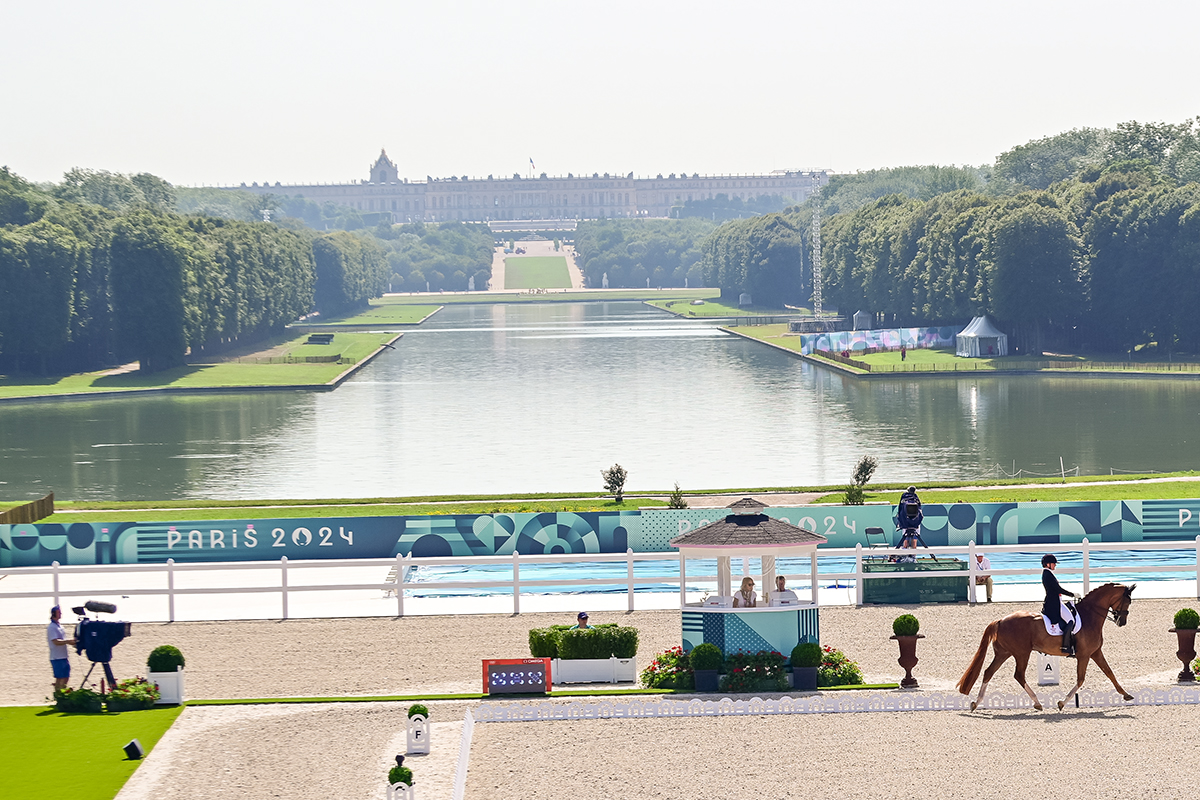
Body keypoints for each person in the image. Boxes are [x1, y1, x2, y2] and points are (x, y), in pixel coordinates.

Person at [1042, 554, 1078, 656]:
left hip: (1056, 601)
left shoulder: (1048, 573)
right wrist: (1072, 594)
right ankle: (1066, 646)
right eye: (1053, 564)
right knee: (1071, 620)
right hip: (1054, 604)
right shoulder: (1047, 574)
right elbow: (1058, 589)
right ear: (1048, 564)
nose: (1055, 566)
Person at [47, 605, 76, 691]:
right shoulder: (52, 627)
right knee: (60, 678)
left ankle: (63, 693)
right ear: (54, 614)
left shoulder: (60, 626)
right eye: (58, 612)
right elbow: (55, 641)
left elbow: (63, 640)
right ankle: (58, 696)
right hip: (56, 657)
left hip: (63, 656)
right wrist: (67, 641)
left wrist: (71, 643)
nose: (61, 614)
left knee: (66, 676)